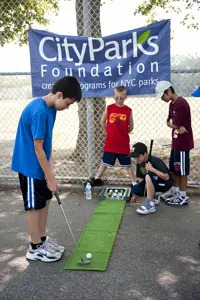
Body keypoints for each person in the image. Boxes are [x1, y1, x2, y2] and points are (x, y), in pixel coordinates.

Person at [11, 76, 82, 262]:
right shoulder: (39, 111)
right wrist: (49, 177)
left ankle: (41, 239)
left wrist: (51, 169)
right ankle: (34, 248)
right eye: (67, 103)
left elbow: (46, 143)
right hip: (30, 166)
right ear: (59, 95)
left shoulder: (51, 109)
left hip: (41, 164)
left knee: (45, 202)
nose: (67, 107)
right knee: (34, 207)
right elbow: (37, 147)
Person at [155, 81, 194, 205]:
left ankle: (183, 196)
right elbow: (169, 122)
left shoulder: (181, 104)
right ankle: (175, 191)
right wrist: (176, 127)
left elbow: (173, 123)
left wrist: (174, 125)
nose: (162, 99)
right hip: (176, 140)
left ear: (169, 91)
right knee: (175, 168)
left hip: (183, 143)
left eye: (163, 96)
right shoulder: (172, 104)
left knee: (182, 170)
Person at [89, 86, 135, 187]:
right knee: (105, 162)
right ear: (113, 96)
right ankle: (97, 178)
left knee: (127, 164)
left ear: (125, 97)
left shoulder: (128, 110)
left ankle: (133, 182)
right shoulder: (109, 108)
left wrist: (122, 133)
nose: (119, 100)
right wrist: (108, 132)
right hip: (111, 142)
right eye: (116, 98)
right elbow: (102, 121)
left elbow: (131, 127)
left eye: (121, 98)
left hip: (123, 143)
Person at [130, 142, 173, 215]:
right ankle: (153, 196)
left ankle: (150, 205)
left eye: (138, 156)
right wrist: (137, 194)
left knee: (149, 175)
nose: (136, 159)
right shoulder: (140, 163)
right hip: (154, 182)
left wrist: (152, 169)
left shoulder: (155, 161)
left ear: (145, 154)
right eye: (134, 157)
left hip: (164, 184)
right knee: (134, 189)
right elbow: (141, 179)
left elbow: (166, 178)